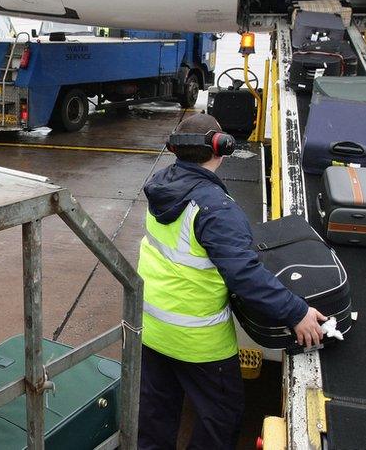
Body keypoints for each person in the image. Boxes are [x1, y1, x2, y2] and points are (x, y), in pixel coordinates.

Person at [137, 114, 326, 450]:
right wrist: (297, 312)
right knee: (221, 416)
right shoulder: (215, 209)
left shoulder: (161, 185)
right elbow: (246, 276)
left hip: (152, 329)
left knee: (156, 413)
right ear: (220, 148)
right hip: (199, 342)